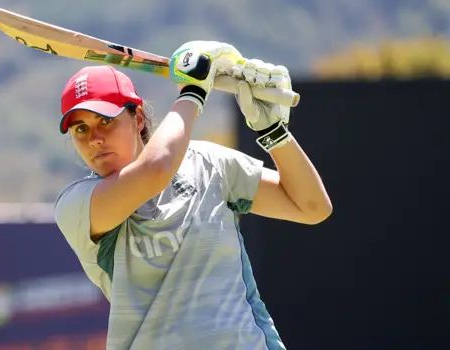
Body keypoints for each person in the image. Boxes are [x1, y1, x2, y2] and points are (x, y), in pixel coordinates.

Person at [53, 40, 332, 349]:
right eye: (80, 129)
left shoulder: (208, 163)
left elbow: (312, 206)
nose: (94, 139)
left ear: (139, 119)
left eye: (106, 120)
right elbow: (156, 170)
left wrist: (274, 133)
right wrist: (193, 92)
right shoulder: (77, 205)